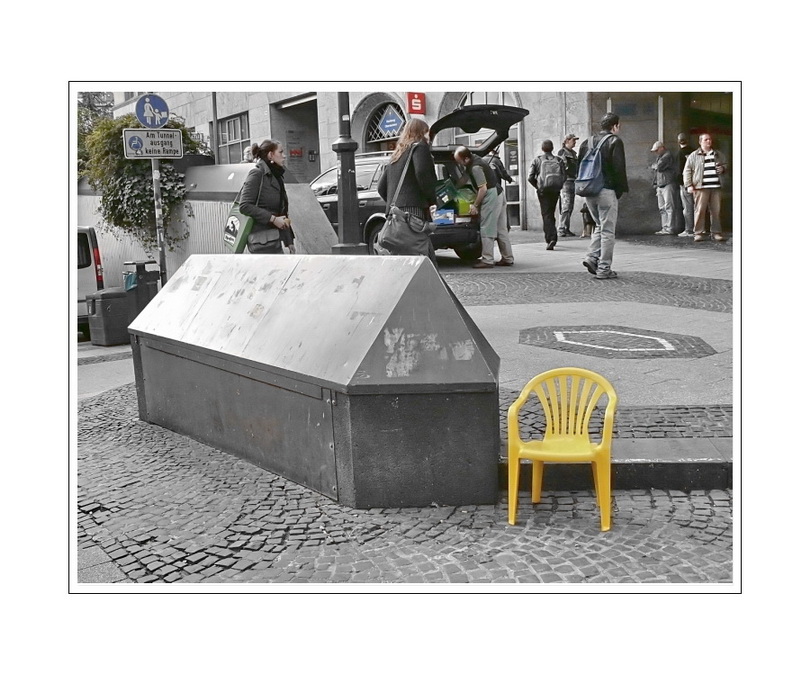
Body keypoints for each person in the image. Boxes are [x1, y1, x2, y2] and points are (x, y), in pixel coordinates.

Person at [377, 118, 438, 265]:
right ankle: (428, 286)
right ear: (423, 132)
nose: (429, 136)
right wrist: (432, 200)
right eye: (427, 132)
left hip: (396, 215)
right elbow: (422, 173)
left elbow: (381, 187)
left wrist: (396, 204)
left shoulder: (397, 154)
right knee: (421, 259)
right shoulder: (420, 147)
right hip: (413, 213)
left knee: (407, 259)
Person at [579, 112, 629, 280]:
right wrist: (619, 191)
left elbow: (579, 166)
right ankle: (604, 268)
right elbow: (619, 169)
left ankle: (591, 257)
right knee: (608, 230)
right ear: (614, 126)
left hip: (588, 190)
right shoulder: (615, 141)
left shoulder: (588, 142)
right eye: (618, 125)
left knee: (600, 226)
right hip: (606, 190)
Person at [453, 145, 514, 269]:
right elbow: (465, 178)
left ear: (465, 159)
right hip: (499, 193)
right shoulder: (474, 159)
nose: (459, 164)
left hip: (491, 195)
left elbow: (483, 189)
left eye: (459, 161)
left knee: (487, 227)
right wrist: (453, 188)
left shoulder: (476, 167)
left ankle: (487, 260)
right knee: (501, 228)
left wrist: (475, 205)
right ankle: (508, 258)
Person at [239, 140, 295, 254]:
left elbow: (282, 211)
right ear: (270, 155)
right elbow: (244, 205)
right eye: (280, 152)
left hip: (275, 240)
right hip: (261, 242)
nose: (284, 156)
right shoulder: (257, 174)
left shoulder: (277, 176)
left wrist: (289, 241)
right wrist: (273, 219)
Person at [683, 133, 729, 242]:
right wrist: (689, 185)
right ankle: (698, 233)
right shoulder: (693, 156)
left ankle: (716, 232)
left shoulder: (718, 154)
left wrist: (723, 168)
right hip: (701, 187)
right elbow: (687, 171)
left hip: (716, 186)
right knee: (699, 210)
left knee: (716, 211)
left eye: (710, 139)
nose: (708, 141)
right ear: (700, 142)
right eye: (706, 140)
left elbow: (726, 164)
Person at [528, 140, 567, 250]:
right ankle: (552, 235)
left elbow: (530, 177)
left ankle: (551, 238)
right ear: (552, 148)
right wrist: (558, 185)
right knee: (551, 212)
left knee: (546, 214)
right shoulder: (558, 160)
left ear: (542, 148)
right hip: (555, 190)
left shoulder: (538, 160)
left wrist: (538, 186)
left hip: (543, 191)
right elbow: (564, 176)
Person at [650, 141, 678, 235]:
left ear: (662, 148)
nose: (656, 152)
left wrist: (655, 166)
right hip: (661, 184)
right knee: (662, 208)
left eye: (657, 150)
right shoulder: (661, 156)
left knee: (668, 207)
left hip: (667, 183)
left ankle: (669, 228)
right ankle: (665, 227)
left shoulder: (667, 155)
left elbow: (659, 167)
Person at [557, 133, 579, 237]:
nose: (575, 142)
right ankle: (561, 228)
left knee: (570, 205)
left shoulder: (573, 153)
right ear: (567, 141)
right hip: (565, 181)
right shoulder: (562, 152)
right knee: (566, 204)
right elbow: (563, 167)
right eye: (573, 140)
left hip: (573, 180)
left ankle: (566, 227)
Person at [676, 132, 695, 237]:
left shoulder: (680, 153)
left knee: (687, 207)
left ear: (678, 141)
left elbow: (680, 170)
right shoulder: (694, 152)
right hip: (695, 182)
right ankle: (698, 228)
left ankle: (689, 229)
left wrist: (680, 182)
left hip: (685, 183)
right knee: (696, 206)